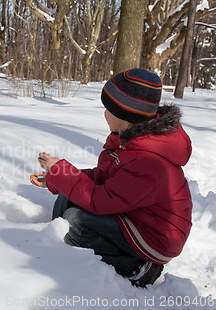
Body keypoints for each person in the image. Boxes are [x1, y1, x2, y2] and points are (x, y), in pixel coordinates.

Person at [30, 68, 192, 287]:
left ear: (124, 115)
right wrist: (56, 177)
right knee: (68, 197)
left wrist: (61, 172)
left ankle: (137, 267)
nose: (104, 114)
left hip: (154, 237)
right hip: (135, 216)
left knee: (77, 221)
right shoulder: (128, 141)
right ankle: (54, 245)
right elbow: (101, 178)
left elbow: (99, 201)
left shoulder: (148, 162)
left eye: (107, 109)